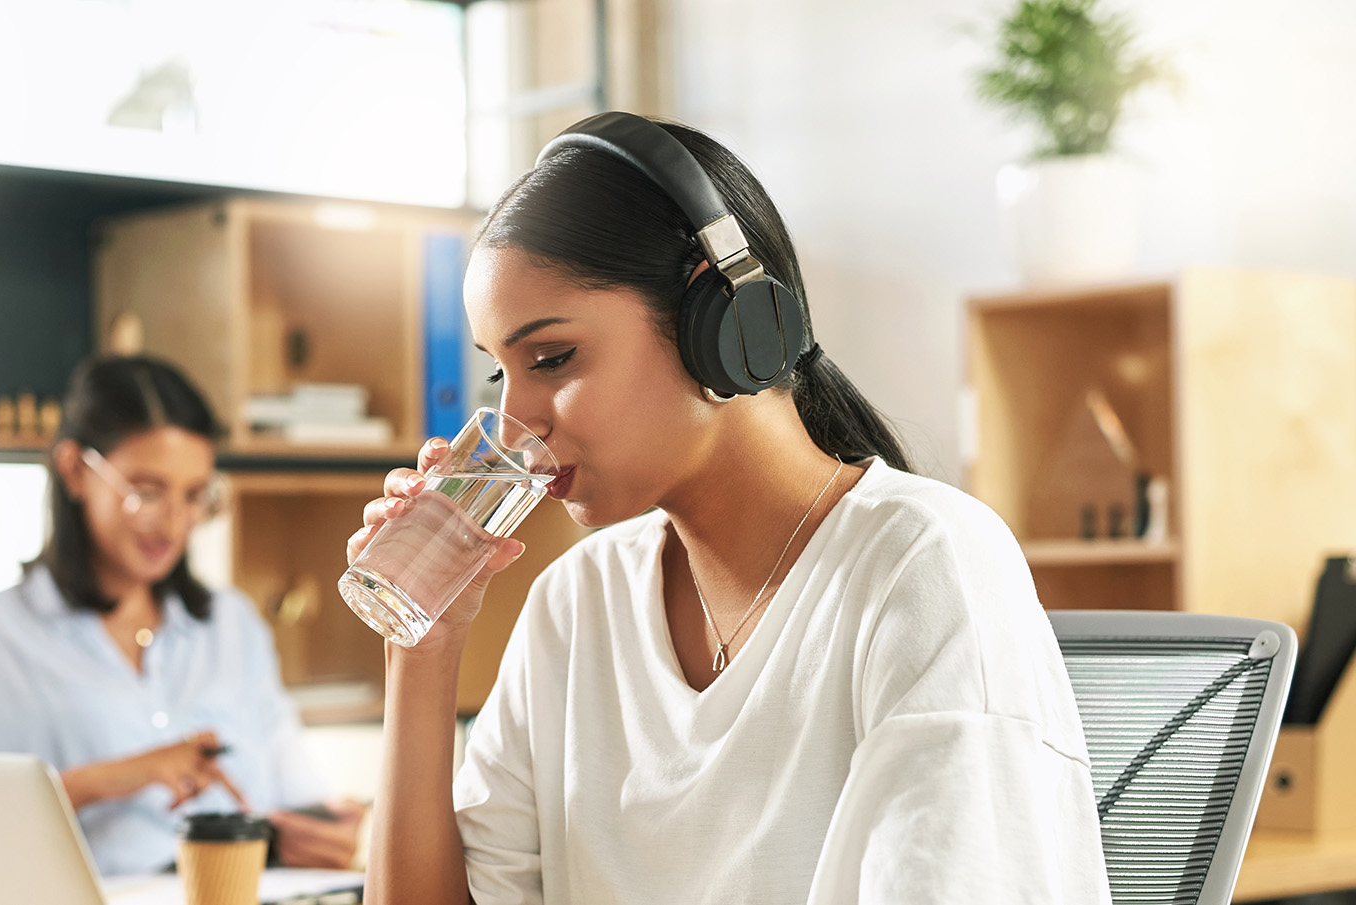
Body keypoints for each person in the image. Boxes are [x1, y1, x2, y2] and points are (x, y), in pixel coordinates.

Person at [353, 114, 1110, 904]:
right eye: (499, 375)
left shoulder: (923, 565)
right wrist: (423, 646)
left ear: (717, 320)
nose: (516, 422)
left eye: (552, 359)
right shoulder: (576, 605)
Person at [0, 354, 364, 876]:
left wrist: (323, 835)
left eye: (195, 496)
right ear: (74, 470)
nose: (174, 524)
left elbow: (299, 798)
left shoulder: (231, 626)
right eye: (147, 492)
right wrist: (106, 779)